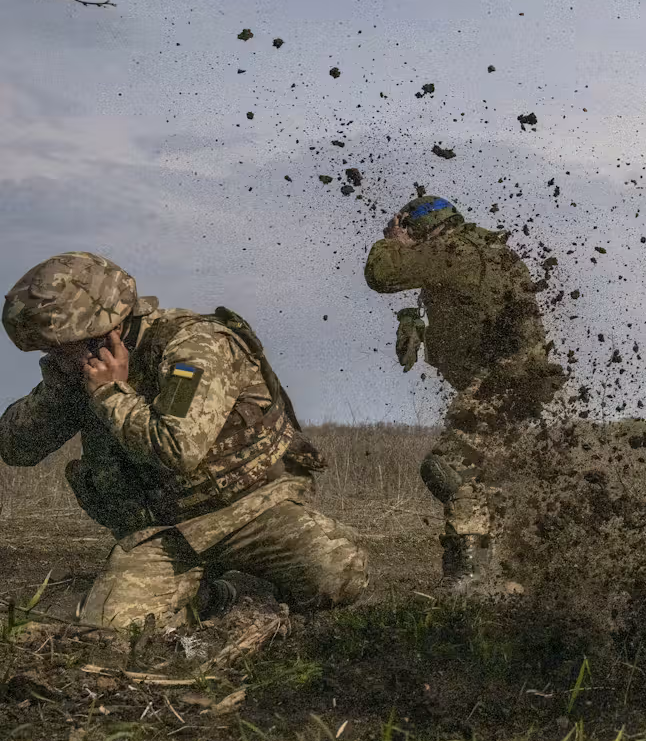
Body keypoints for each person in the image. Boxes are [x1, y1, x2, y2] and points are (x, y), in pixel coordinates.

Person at [0, 252, 368, 630]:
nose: (57, 358)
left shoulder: (194, 346)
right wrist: (62, 391)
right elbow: (15, 448)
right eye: (51, 352)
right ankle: (213, 595)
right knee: (112, 628)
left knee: (339, 573)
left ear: (102, 331)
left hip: (250, 510)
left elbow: (178, 448)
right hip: (164, 532)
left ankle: (248, 589)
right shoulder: (82, 369)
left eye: (62, 347)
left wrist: (111, 394)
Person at [364, 195, 566, 591]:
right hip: (515, 383)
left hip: (504, 384)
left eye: (411, 231)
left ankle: (471, 575)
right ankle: (503, 575)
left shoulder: (453, 248)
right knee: (484, 479)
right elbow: (471, 311)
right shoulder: (483, 250)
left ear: (423, 228)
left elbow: (383, 275)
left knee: (449, 468)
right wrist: (416, 324)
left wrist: (391, 241)